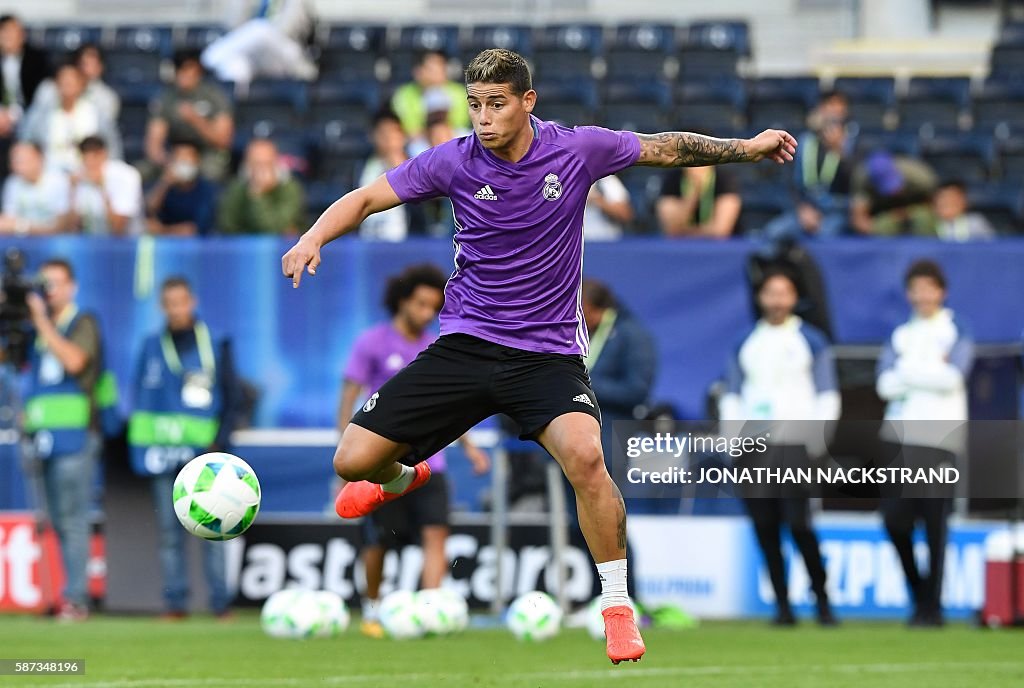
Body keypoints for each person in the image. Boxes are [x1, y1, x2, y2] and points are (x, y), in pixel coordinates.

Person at [281, 47, 797, 664]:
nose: (483, 116)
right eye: (474, 104)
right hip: (467, 345)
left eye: (496, 103)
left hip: (546, 355)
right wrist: (313, 236)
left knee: (586, 458)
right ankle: (403, 475)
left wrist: (747, 147)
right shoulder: (452, 161)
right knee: (352, 461)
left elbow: (665, 145)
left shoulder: (576, 150)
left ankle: (616, 607)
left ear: (527, 102)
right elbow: (365, 199)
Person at [339, 264, 489, 637]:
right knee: (379, 543)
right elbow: (349, 399)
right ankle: (372, 611)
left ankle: (430, 610)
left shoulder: (437, 346)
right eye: (421, 304)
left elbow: (450, 405)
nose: (426, 313)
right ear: (403, 300)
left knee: (435, 534)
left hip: (430, 464)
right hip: (382, 464)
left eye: (432, 307)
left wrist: (470, 448)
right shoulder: (371, 342)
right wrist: (348, 451)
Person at [719, 267, 839, 626]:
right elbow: (733, 393)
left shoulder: (810, 340)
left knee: (799, 524)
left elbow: (827, 393)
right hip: (754, 448)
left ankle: (822, 600)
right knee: (765, 527)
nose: (777, 300)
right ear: (761, 298)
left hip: (794, 444)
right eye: (771, 292)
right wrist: (732, 442)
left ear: (794, 298)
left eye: (783, 292)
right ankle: (783, 605)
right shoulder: (746, 341)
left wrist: (817, 440)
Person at [128, 276, 240, 619]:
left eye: (182, 302)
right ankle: (176, 603)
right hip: (161, 451)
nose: (177, 309)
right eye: (170, 303)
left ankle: (220, 603)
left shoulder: (215, 342)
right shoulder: (150, 345)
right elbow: (138, 397)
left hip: (205, 453)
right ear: (163, 307)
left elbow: (232, 396)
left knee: (214, 525)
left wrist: (221, 439)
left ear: (192, 302)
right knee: (169, 532)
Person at [876, 260, 973, 627]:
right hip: (899, 436)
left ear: (941, 291)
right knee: (895, 520)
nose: (923, 295)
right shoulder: (900, 333)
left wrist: (907, 371)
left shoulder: (955, 328)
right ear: (909, 293)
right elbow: (884, 384)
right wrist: (929, 370)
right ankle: (919, 594)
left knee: (936, 524)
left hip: (940, 438)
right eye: (916, 288)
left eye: (929, 287)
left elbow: (952, 378)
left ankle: (932, 608)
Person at [22, 259, 105, 621]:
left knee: (72, 518)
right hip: (44, 436)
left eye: (56, 283)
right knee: (55, 518)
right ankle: (60, 593)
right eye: (45, 284)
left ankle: (77, 598)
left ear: (72, 286)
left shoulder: (81, 321)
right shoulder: (38, 329)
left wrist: (40, 321)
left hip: (75, 436)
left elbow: (74, 362)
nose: (50, 291)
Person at [763, 94, 853, 241]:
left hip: (837, 211)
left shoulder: (853, 146)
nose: (832, 116)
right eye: (828, 108)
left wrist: (840, 152)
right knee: (772, 233)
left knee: (825, 237)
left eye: (838, 111)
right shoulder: (805, 142)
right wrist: (802, 209)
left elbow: (855, 185)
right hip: (805, 209)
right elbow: (791, 183)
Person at [145, 50, 233, 182]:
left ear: (198, 71)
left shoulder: (215, 96)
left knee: (210, 171)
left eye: (188, 69)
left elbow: (223, 141)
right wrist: (168, 162)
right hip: (175, 153)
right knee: (140, 172)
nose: (183, 74)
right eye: (179, 69)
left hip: (207, 153)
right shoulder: (166, 98)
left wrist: (196, 120)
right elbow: (153, 144)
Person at [21, 61, 121, 172]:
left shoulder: (97, 114)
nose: (67, 84)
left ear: (82, 84)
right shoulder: (39, 115)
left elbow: (112, 149)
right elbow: (25, 144)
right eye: (63, 80)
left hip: (88, 177)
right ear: (56, 84)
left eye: (72, 81)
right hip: (48, 177)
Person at [201, 0, 317, 89]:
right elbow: (233, 26)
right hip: (254, 55)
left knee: (260, 29)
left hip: (286, 54)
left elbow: (287, 30)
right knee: (235, 68)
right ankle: (241, 114)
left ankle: (212, 56)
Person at [218, 138, 305, 235]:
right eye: (256, 164)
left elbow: (275, 229)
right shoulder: (237, 189)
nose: (261, 170)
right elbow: (228, 227)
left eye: (266, 164)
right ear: (247, 164)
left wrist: (258, 195)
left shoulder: (290, 189)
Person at [0, 14, 50, 175]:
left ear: (22, 34)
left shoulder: (36, 59)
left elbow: (41, 96)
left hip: (29, 117)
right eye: (4, 32)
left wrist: (14, 115)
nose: (8, 37)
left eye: (13, 32)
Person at [27, 43, 119, 128]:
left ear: (100, 67)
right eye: (83, 63)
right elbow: (35, 121)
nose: (85, 69)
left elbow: (101, 130)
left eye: (91, 64)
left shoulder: (107, 98)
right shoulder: (47, 88)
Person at [68, 136, 143, 236]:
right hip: (91, 244)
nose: (90, 164)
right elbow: (70, 228)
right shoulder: (79, 177)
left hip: (127, 244)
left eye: (95, 157)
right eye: (85, 159)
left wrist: (101, 187)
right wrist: (72, 191)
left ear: (104, 154)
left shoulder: (127, 176)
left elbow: (118, 228)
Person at [850, 151, 937, 236]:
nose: (893, 192)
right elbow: (859, 218)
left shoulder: (920, 176)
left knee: (923, 219)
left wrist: (909, 213)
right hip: (884, 214)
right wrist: (876, 230)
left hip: (917, 209)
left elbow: (937, 205)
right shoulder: (862, 180)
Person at [391, 50, 471, 140]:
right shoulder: (404, 94)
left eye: (440, 68)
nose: (437, 73)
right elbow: (410, 130)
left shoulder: (459, 92)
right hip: (419, 142)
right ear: (418, 71)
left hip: (451, 138)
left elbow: (459, 124)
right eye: (431, 69)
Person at [145, 141, 218, 237]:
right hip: (165, 244)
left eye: (188, 159)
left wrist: (162, 230)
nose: (184, 163)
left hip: (197, 246)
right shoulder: (165, 187)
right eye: (180, 159)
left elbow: (193, 230)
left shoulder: (206, 190)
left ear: (197, 162)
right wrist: (164, 183)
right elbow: (149, 211)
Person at [357, 110, 410, 241]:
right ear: (372, 135)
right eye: (383, 133)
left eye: (393, 132)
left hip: (405, 242)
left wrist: (396, 161)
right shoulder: (362, 166)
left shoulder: (414, 165)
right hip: (368, 241)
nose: (388, 138)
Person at [0, 141, 70, 235]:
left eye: (21, 160)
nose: (16, 165)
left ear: (39, 158)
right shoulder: (12, 183)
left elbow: (61, 226)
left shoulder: (58, 181)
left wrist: (22, 226)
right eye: (14, 160)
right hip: (21, 243)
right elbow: (6, 223)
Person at [656, 163, 742, 238]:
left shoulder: (725, 178)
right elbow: (671, 230)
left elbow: (720, 231)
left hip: (721, 249)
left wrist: (684, 232)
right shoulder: (672, 178)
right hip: (681, 249)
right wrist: (694, 193)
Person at [584, 176, 633, 241]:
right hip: (576, 245)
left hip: (607, 243)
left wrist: (597, 200)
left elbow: (626, 214)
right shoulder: (569, 179)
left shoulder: (606, 180)